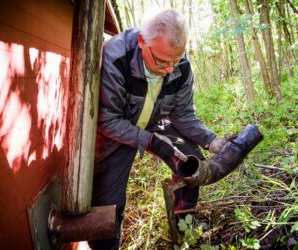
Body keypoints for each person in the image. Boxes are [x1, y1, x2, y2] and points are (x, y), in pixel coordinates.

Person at [89, 9, 227, 250]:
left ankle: (184, 230)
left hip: (155, 122)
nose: (168, 70)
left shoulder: (180, 67)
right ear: (142, 42)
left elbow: (183, 115)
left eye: (175, 61)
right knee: (107, 205)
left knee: (192, 165)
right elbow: (108, 120)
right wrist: (152, 143)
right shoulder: (116, 56)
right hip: (117, 131)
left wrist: (212, 140)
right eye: (161, 62)